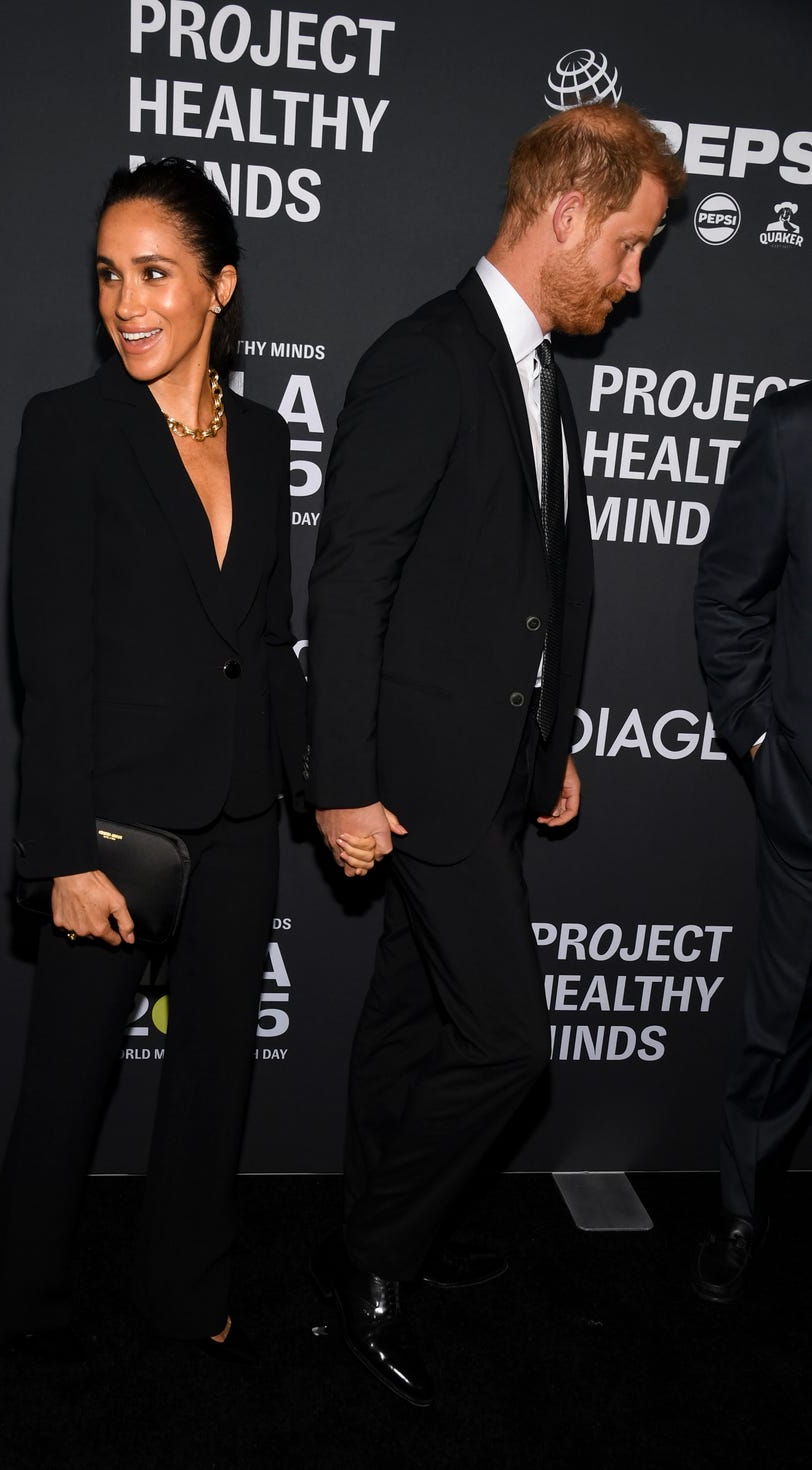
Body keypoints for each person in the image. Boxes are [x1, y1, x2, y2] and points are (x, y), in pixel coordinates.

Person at [306, 104, 686, 1405]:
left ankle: (373, 1229)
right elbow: (350, 585)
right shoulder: (426, 360)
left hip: (491, 773)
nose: (632, 279)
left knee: (409, 1013)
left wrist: (551, 735)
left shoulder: (535, 373)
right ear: (567, 215)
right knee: (509, 1043)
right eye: (629, 246)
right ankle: (372, 1256)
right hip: (414, 778)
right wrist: (341, 783)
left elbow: (533, 583)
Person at [0, 158, 374, 1364]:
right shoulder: (69, 428)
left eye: (153, 273)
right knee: (65, 1084)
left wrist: (325, 789)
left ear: (220, 287)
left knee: (213, 1079)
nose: (126, 303)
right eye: (108, 275)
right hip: (112, 827)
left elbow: (267, 642)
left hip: (241, 812)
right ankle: (18, 1306)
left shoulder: (261, 437)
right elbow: (49, 664)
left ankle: (182, 1285)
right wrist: (60, 854)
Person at [694, 380, 812, 1302]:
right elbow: (730, 602)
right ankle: (743, 1208)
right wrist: (766, 748)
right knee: (781, 1027)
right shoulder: (793, 432)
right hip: (808, 804)